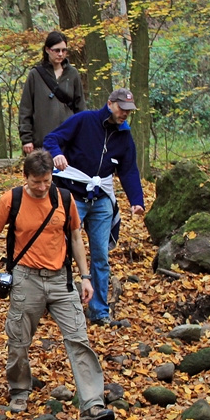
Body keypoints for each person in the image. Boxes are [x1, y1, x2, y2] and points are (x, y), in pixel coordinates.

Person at [0, 149, 115, 420]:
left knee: (79, 338)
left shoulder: (64, 198)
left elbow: (76, 236)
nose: (42, 187)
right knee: (19, 339)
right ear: (25, 178)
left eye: (47, 181)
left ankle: (92, 403)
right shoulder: (12, 199)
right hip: (26, 278)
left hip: (60, 279)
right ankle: (19, 390)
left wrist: (85, 276)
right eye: (36, 182)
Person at [43, 87, 145, 326]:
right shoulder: (85, 120)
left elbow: (129, 170)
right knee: (63, 248)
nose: (124, 114)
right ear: (110, 104)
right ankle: (60, 303)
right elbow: (52, 139)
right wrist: (57, 154)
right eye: (122, 109)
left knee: (101, 255)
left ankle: (99, 310)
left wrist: (136, 201)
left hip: (101, 199)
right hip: (73, 195)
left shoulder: (124, 136)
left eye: (129, 111)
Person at [18, 31, 85, 155]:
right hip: (42, 142)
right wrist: (26, 139)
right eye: (57, 50)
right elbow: (25, 109)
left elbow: (80, 108)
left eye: (64, 50)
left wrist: (82, 136)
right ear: (48, 50)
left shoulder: (73, 74)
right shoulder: (35, 75)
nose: (60, 54)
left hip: (68, 141)